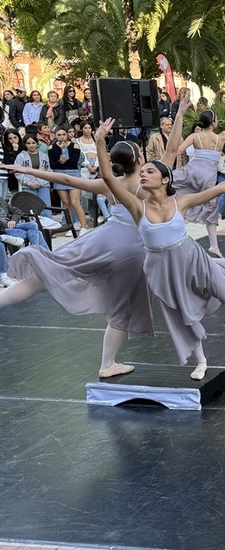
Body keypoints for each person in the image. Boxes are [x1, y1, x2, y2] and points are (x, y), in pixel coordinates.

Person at [94, 119, 225, 380]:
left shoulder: (181, 201)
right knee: (185, 316)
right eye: (142, 172)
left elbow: (222, 187)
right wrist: (100, 141)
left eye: (149, 171)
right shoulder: (137, 207)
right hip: (164, 270)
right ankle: (201, 361)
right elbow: (107, 177)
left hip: (193, 259)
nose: (143, 175)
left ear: (164, 179)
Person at [0, 140, 154, 378]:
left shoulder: (110, 184)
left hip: (102, 239)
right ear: (140, 160)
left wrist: (29, 170)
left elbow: (68, 180)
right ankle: (107, 363)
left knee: (48, 272)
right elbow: (173, 150)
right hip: (131, 248)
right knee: (122, 306)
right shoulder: (147, 188)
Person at [174, 99, 225, 257]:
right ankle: (214, 245)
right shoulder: (221, 138)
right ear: (213, 123)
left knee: (177, 195)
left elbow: (177, 150)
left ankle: (175, 230)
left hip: (192, 172)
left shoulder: (195, 136)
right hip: (208, 177)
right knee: (210, 208)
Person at [48, 126, 89, 230]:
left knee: (75, 202)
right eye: (59, 135)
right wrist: (60, 162)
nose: (62, 137)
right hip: (59, 174)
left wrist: (64, 151)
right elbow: (53, 164)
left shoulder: (75, 146)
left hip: (73, 173)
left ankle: (83, 226)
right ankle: (70, 226)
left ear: (67, 135)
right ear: (55, 136)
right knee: (66, 203)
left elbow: (74, 162)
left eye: (63, 134)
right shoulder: (51, 148)